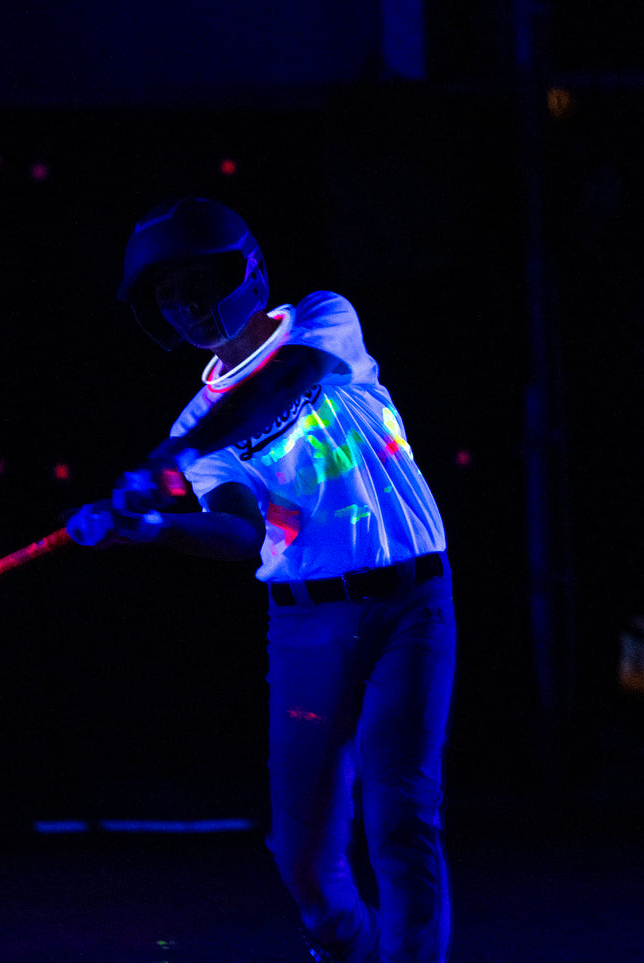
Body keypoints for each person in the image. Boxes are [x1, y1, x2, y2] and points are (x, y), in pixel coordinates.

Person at [67, 197, 455, 963]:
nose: (185, 306)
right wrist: (150, 527)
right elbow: (242, 530)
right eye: (166, 296)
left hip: (411, 601)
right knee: (303, 860)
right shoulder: (192, 425)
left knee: (399, 818)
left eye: (196, 282)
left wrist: (164, 463)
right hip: (306, 625)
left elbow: (283, 385)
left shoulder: (319, 319)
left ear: (240, 271)